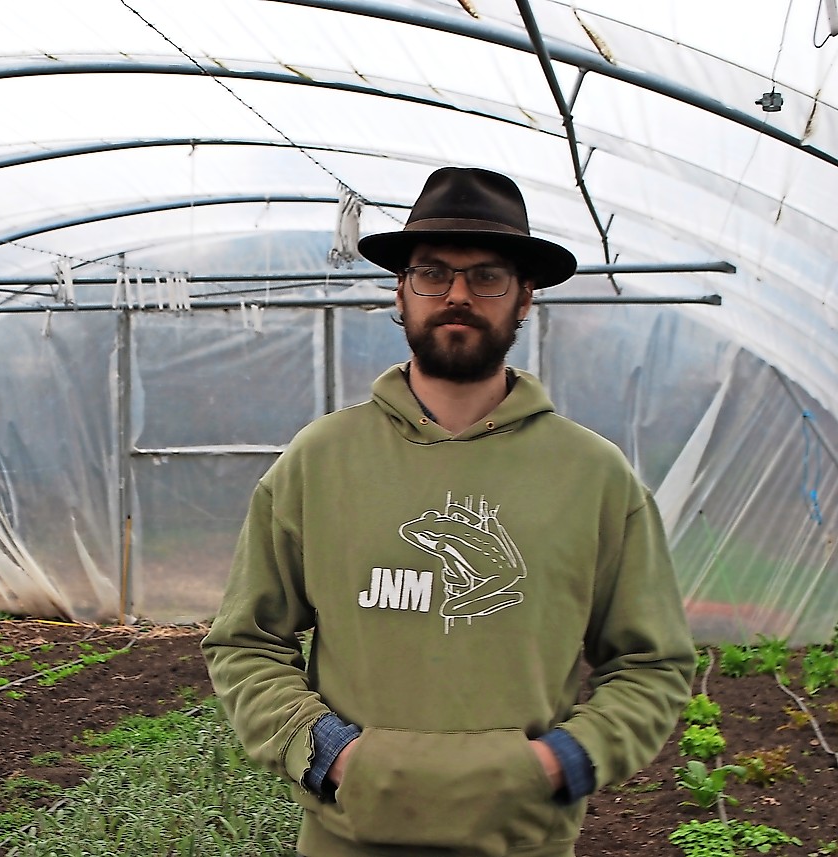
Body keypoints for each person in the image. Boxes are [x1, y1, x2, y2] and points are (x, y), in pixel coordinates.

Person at [200, 166, 695, 857]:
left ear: (525, 297)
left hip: (524, 842)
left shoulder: (594, 476)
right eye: (433, 273)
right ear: (400, 292)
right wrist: (329, 753)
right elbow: (246, 640)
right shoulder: (320, 461)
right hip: (347, 840)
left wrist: (561, 762)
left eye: (487, 276)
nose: (457, 295)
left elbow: (654, 661)